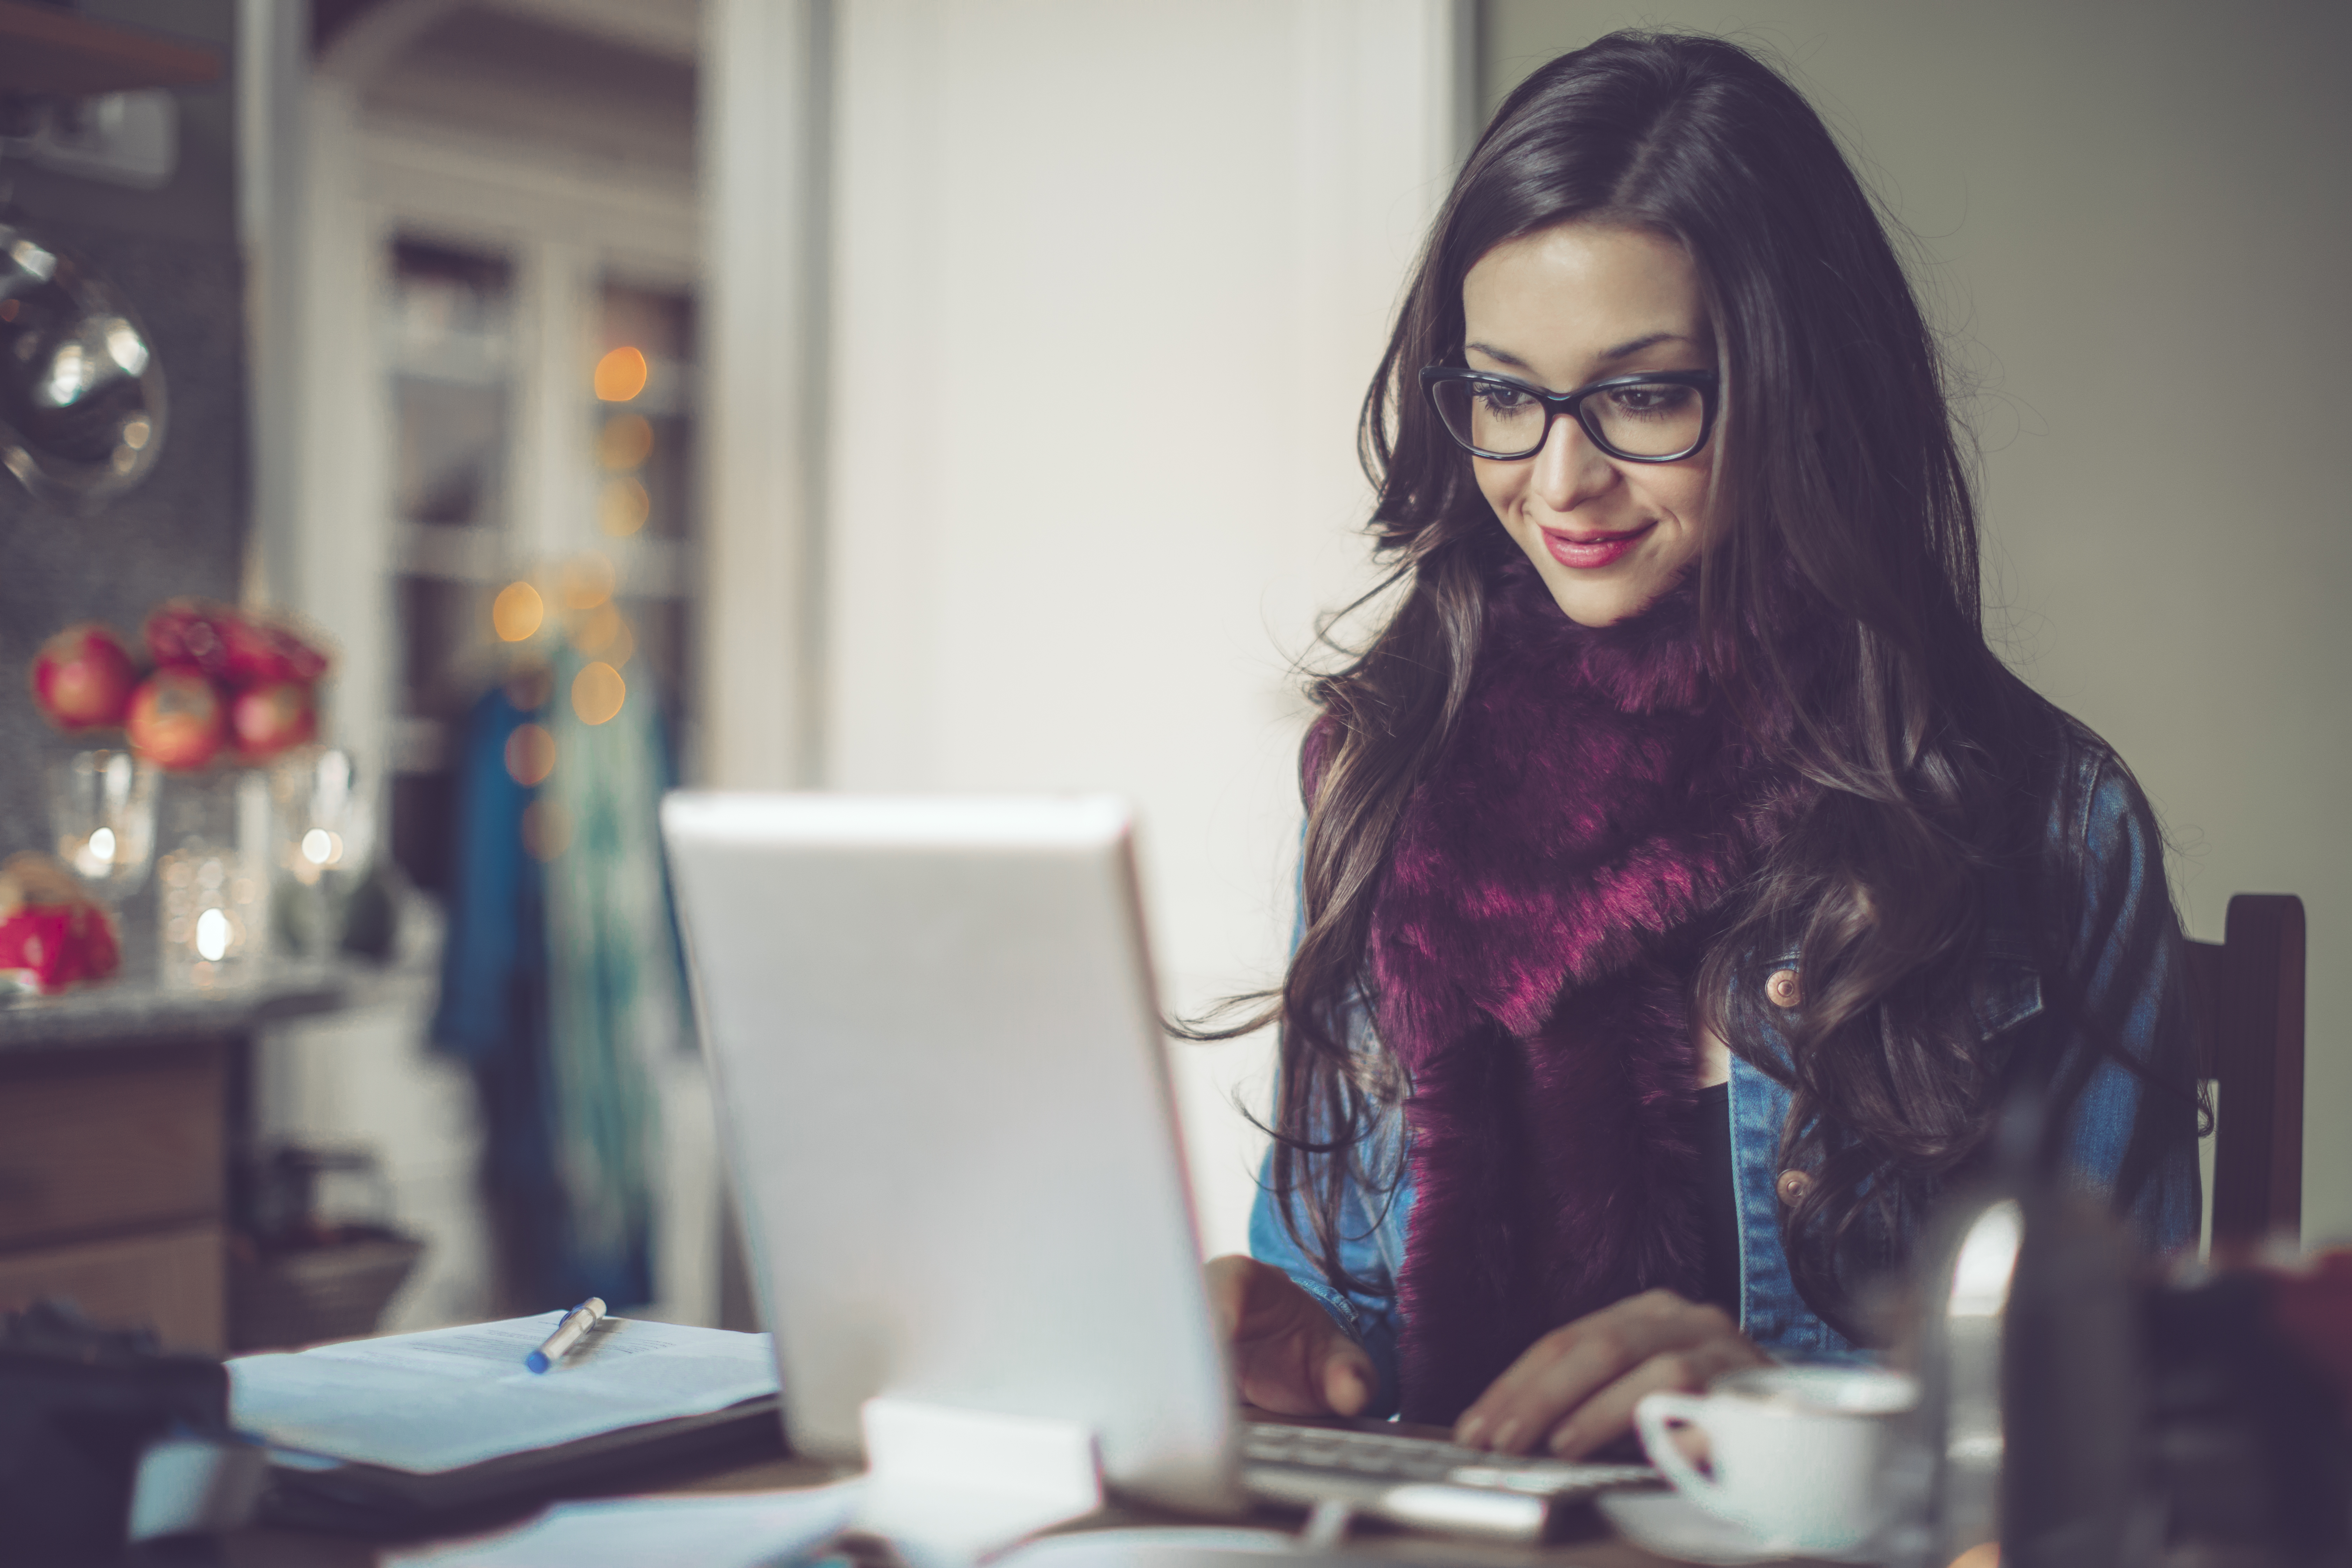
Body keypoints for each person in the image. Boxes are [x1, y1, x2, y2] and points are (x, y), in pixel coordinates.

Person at [1198, 30, 2201, 1461]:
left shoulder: (2056, 827)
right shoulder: (1384, 774)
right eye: (1501, 392)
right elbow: (1343, 1305)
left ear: (1801, 386)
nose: (1557, 477)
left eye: (1646, 393)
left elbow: (2132, 1430)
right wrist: (1298, 1343)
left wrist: (1790, 1419)